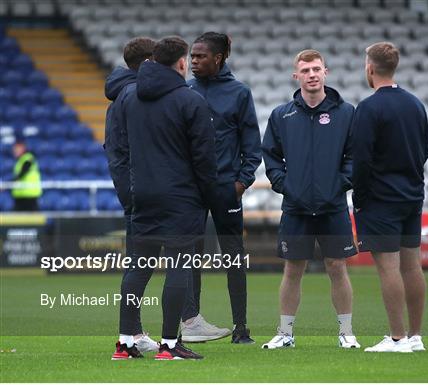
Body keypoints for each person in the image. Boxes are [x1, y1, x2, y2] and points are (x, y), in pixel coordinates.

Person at [111, 36, 216, 360]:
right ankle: (169, 344)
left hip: (142, 194)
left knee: (137, 267)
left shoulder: (128, 96)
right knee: (179, 266)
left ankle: (125, 342)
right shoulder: (191, 100)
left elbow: (122, 147)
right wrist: (207, 195)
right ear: (182, 62)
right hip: (180, 196)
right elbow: (204, 158)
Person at [261, 49, 360, 349]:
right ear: (296, 76)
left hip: (333, 206)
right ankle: (285, 333)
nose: (312, 74)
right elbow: (271, 156)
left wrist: (340, 183)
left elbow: (356, 156)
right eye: (306, 71)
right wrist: (285, 185)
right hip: (296, 206)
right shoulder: (281, 115)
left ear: (326, 72)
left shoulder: (347, 113)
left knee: (336, 267)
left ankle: (346, 332)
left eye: (316, 69)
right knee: (292, 269)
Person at [351, 42, 428, 353]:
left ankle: (397, 338)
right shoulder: (415, 104)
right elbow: (424, 150)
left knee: (388, 268)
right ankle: (416, 336)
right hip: (412, 196)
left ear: (370, 68)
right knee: (413, 266)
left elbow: (362, 159)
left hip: (381, 199)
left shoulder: (369, 108)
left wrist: (360, 197)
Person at [183, 32, 261, 344]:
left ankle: (240, 328)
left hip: (227, 188)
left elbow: (251, 145)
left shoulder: (240, 93)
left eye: (200, 56)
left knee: (234, 258)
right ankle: (192, 324)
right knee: (190, 256)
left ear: (218, 58)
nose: (193, 61)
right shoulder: (185, 91)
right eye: (191, 56)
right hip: (191, 190)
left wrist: (241, 183)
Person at [104, 36, 158, 353]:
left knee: (142, 263)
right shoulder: (133, 96)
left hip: (134, 189)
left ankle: (133, 333)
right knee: (141, 264)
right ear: (149, 62)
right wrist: (134, 193)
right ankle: (128, 337)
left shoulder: (123, 94)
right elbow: (124, 153)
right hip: (140, 192)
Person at [11, 136, 42, 211]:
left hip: (29, 197)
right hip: (20, 196)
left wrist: (7, 184)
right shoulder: (20, 161)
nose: (14, 150)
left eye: (17, 148)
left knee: (32, 221)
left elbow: (22, 173)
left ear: (23, 148)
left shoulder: (28, 158)